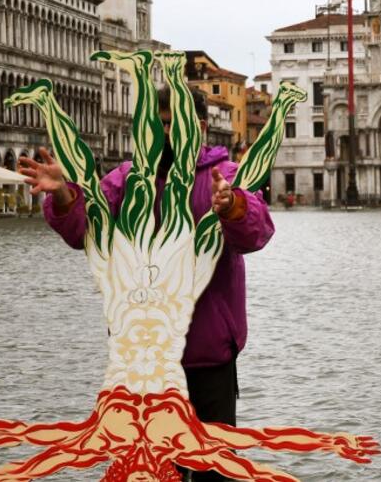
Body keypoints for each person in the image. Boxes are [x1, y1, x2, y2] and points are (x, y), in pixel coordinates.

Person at [18, 87, 274, 482]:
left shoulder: (227, 178)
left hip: (209, 358)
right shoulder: (124, 180)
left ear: (199, 128)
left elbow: (255, 234)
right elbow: (83, 230)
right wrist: (66, 194)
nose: (160, 134)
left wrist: (233, 207)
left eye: (170, 125)